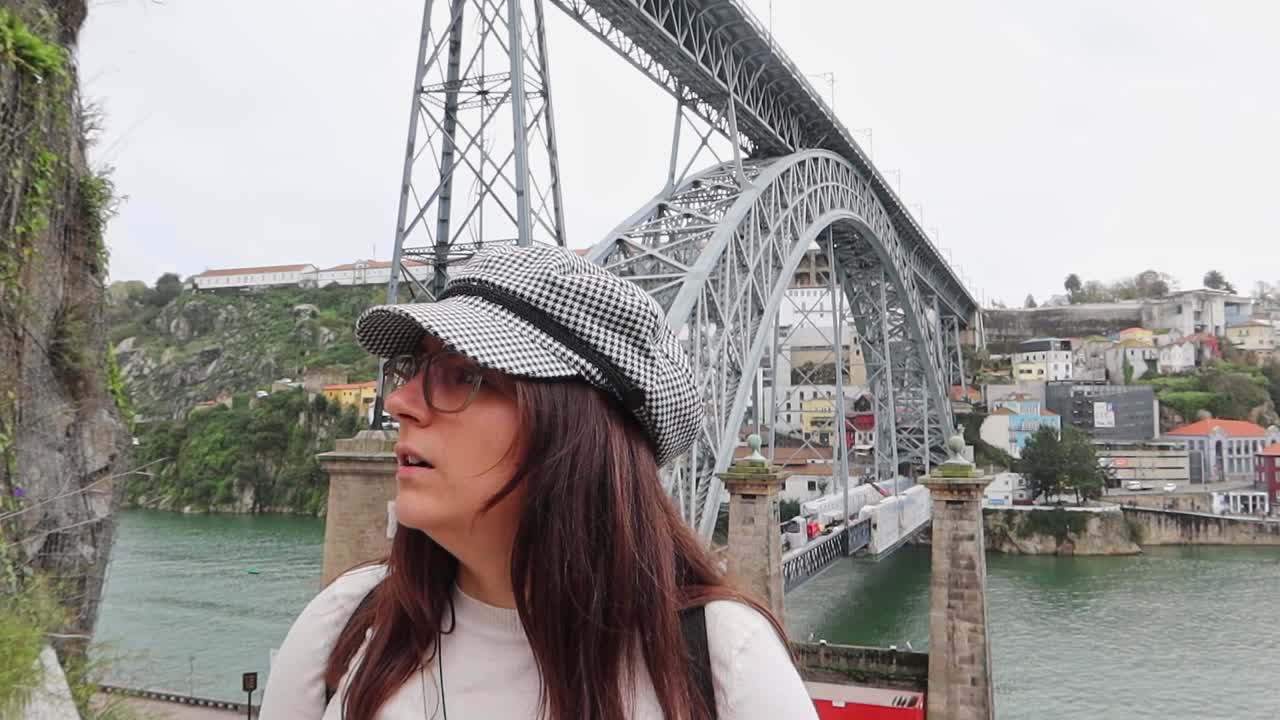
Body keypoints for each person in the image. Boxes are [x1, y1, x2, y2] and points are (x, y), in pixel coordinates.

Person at [260, 245, 816, 720]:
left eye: (463, 375)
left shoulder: (726, 666)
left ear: (578, 431)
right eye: (414, 370)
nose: (398, 402)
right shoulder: (348, 624)